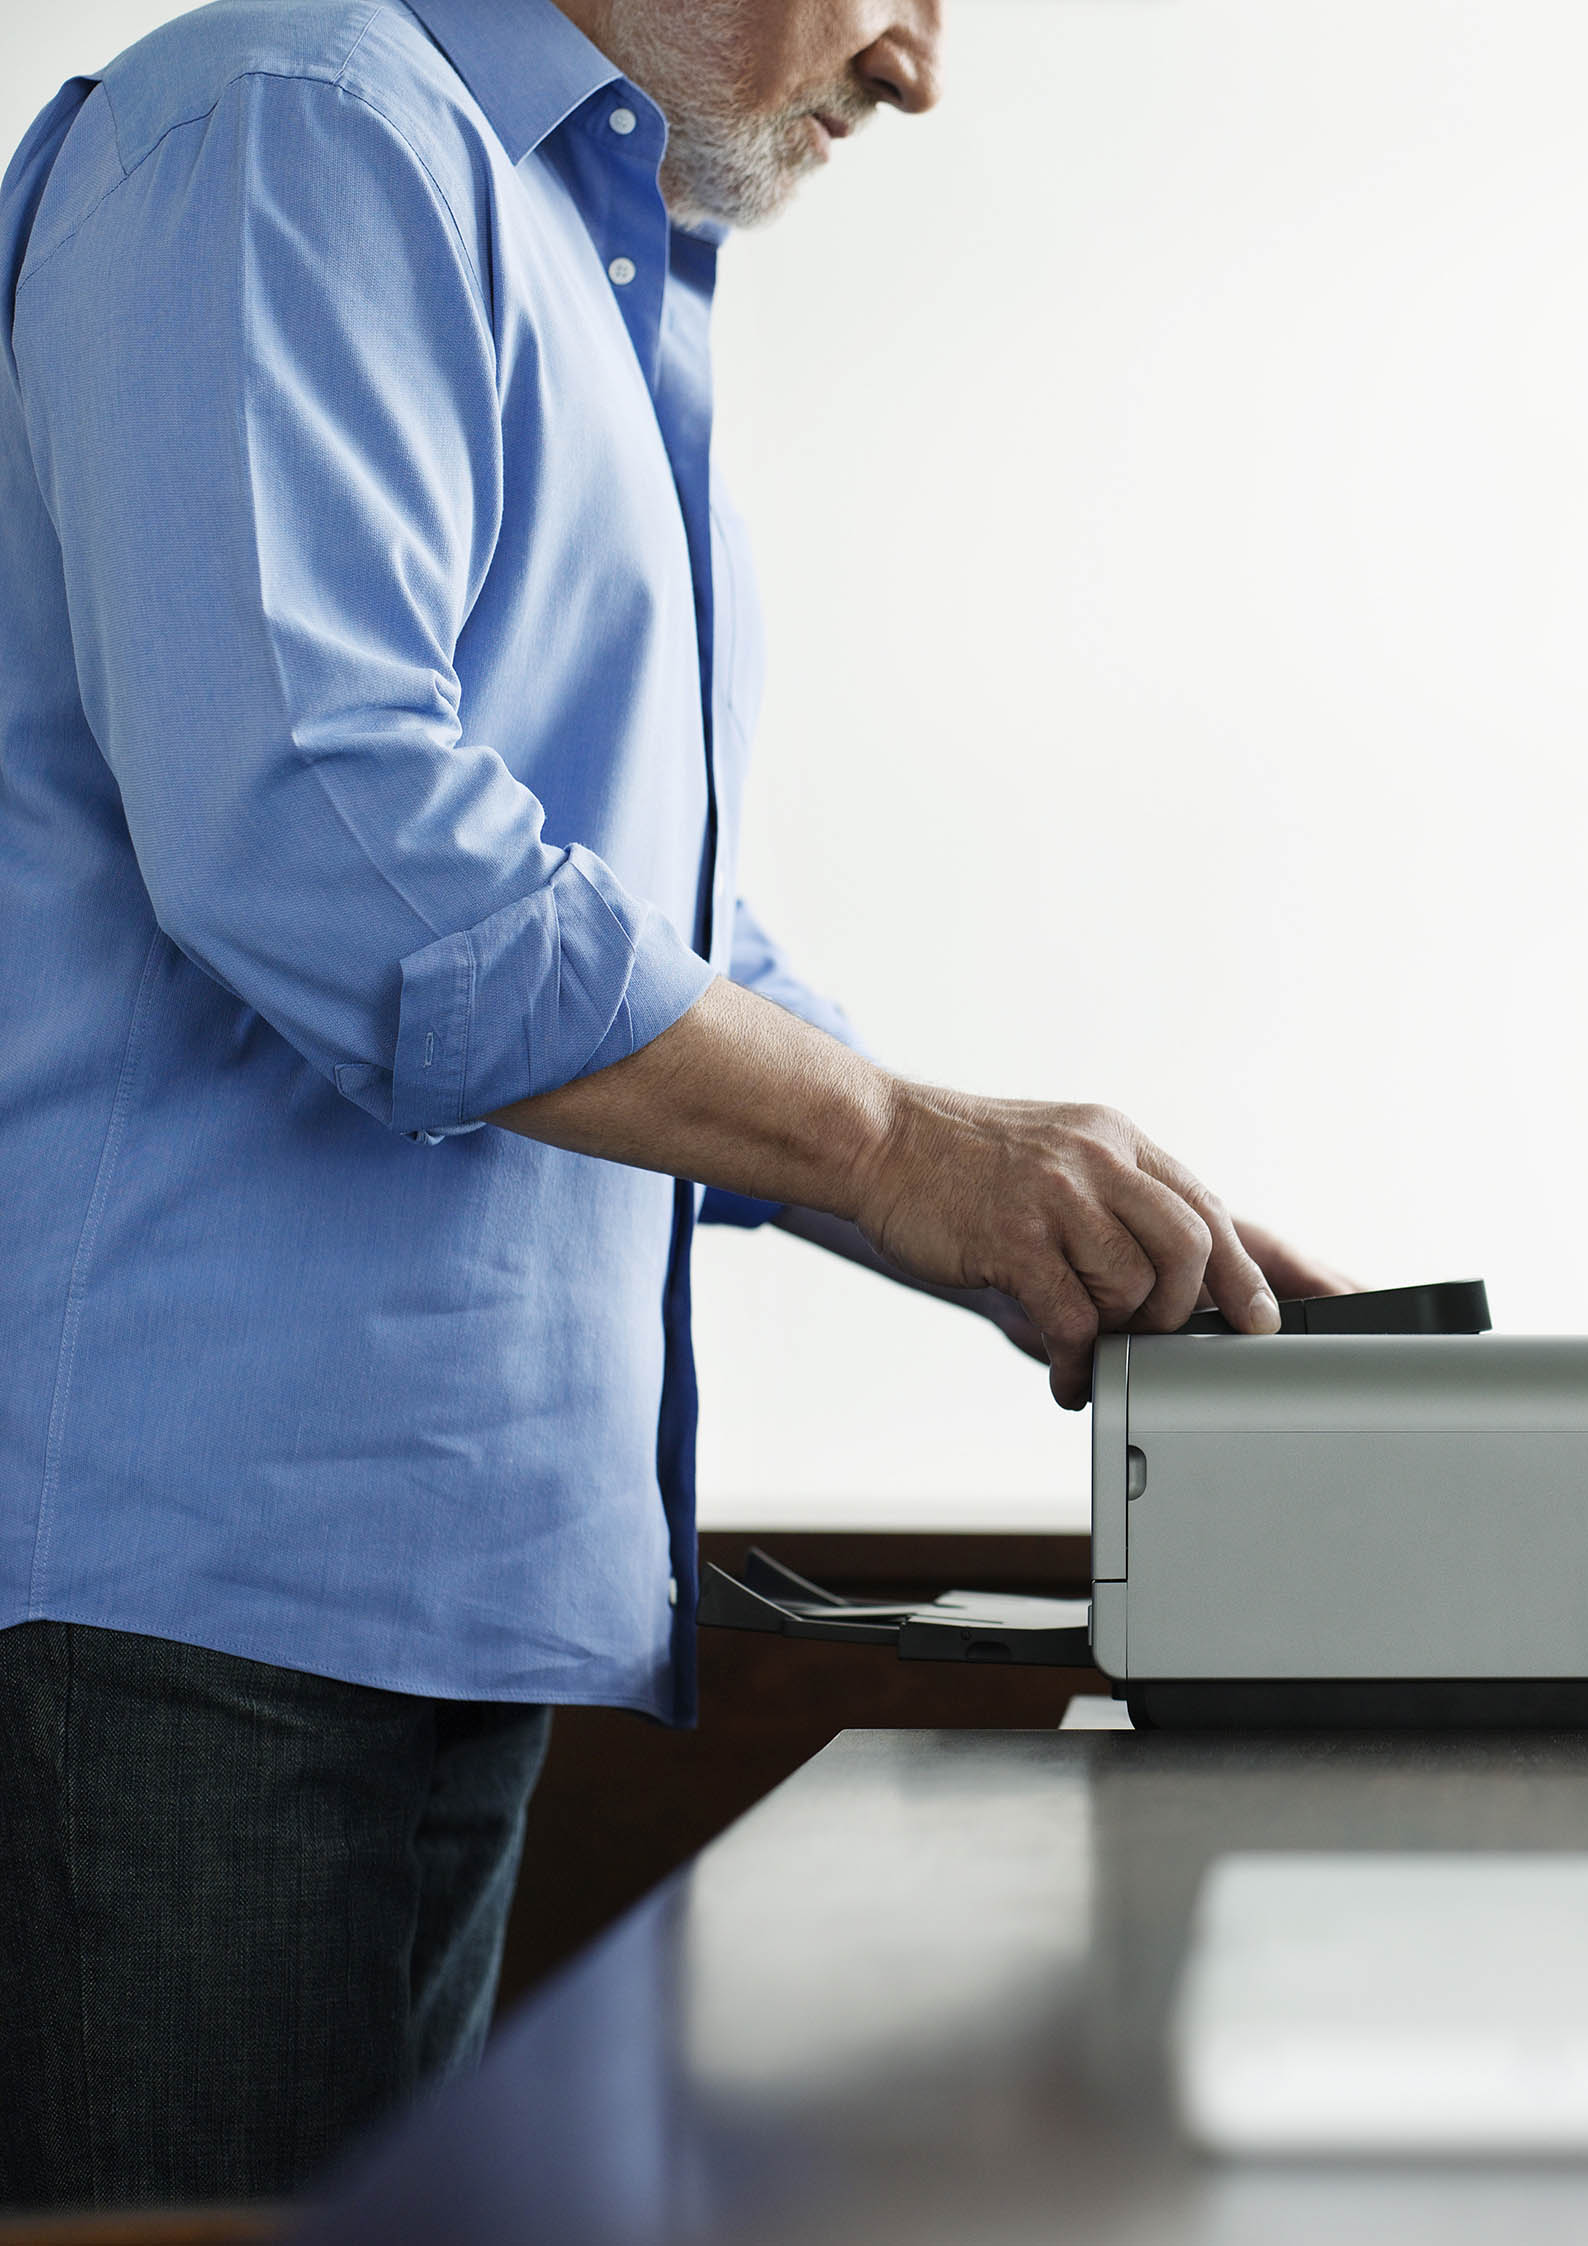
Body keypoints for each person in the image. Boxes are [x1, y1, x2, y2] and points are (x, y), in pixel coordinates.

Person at [0, 0, 1343, 2210]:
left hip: (396, 1596)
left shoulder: (529, 222)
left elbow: (621, 935)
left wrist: (997, 1186)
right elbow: (334, 841)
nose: (922, 64)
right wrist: (907, 1154)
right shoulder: (291, 131)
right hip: (197, 1620)